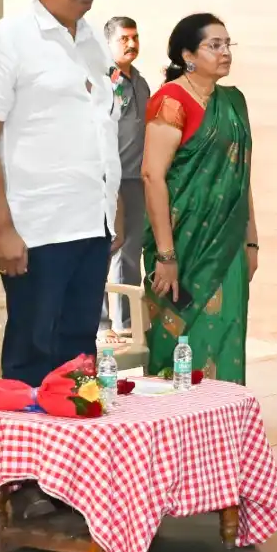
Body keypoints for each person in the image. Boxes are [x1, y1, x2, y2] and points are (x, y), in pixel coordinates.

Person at [0, 0, 121, 387]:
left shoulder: (92, 42)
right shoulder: (6, 42)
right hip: (37, 230)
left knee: (78, 356)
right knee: (34, 355)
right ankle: (26, 458)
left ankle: (72, 457)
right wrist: (3, 227)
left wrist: (114, 207)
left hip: (93, 225)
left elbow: (99, 127)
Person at [142, 13, 258, 383]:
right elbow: (152, 176)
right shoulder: (171, 102)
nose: (225, 53)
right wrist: (166, 254)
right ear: (188, 54)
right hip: (183, 246)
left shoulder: (233, 103)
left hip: (227, 246)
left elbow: (241, 179)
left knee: (226, 337)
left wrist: (251, 241)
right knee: (179, 341)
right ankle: (171, 431)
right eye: (215, 45)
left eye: (228, 45)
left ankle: (219, 432)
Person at [103, 17, 150, 340]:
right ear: (109, 42)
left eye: (135, 37)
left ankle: (125, 319)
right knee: (112, 248)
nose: (131, 44)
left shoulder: (141, 82)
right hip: (109, 178)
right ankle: (115, 323)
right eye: (124, 38)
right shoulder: (104, 80)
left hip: (138, 178)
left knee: (132, 249)